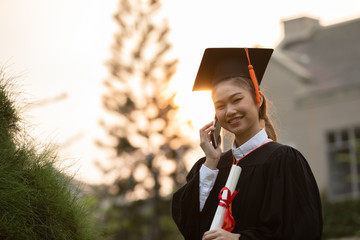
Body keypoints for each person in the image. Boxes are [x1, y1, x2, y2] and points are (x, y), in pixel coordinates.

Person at [171, 48, 323, 240]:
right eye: (220, 106)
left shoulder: (284, 161)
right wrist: (211, 161)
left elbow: (302, 231)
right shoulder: (212, 168)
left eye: (237, 100)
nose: (230, 111)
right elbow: (189, 225)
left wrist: (238, 239)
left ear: (257, 98)